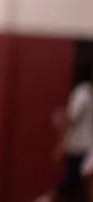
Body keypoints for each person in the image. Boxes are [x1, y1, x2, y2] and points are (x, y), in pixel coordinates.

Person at [38, 71, 93, 202]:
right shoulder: (83, 93)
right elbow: (71, 119)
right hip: (78, 145)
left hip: (88, 145)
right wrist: (60, 144)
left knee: (79, 180)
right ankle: (46, 199)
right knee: (73, 179)